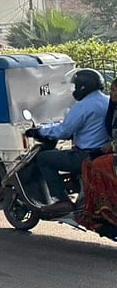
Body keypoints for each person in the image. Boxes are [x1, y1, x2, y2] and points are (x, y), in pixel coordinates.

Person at [26, 68, 110, 216]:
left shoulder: (84, 105)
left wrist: (39, 131)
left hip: (86, 156)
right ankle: (76, 189)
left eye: (76, 86)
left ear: (83, 87)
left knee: (44, 158)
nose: (74, 90)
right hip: (103, 153)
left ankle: (62, 200)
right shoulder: (107, 101)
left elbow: (63, 131)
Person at [75, 77, 117, 234]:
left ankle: (108, 211)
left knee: (98, 165)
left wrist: (112, 145)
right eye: (111, 89)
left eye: (115, 90)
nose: (112, 93)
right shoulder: (112, 109)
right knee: (87, 163)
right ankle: (95, 211)